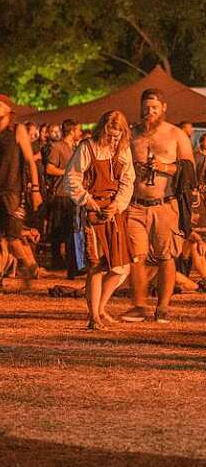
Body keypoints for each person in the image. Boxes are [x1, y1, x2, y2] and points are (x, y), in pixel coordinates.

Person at [121, 89, 195, 324]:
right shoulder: (132, 135)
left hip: (165, 205)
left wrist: (165, 166)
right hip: (135, 205)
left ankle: (163, 306)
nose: (149, 112)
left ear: (163, 108)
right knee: (136, 257)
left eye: (154, 107)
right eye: (146, 107)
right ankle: (139, 305)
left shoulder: (175, 134)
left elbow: (189, 171)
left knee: (165, 257)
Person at [62, 110, 135, 329]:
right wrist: (87, 200)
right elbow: (71, 178)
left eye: (117, 135)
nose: (113, 140)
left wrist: (118, 204)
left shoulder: (122, 149)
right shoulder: (88, 147)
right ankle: (93, 316)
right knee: (96, 265)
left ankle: (101, 308)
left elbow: (127, 181)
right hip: (93, 211)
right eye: (110, 135)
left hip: (114, 211)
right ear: (103, 130)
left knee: (120, 267)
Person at [0, 94, 42, 290]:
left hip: (13, 192)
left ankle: (30, 266)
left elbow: (30, 161)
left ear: (8, 109)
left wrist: (35, 189)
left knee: (12, 238)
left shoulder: (17, 130)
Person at [44, 119, 82, 271]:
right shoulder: (57, 147)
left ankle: (70, 261)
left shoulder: (74, 149)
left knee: (69, 230)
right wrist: (68, 173)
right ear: (72, 131)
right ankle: (56, 260)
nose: (80, 133)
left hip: (72, 194)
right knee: (58, 230)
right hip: (60, 194)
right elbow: (49, 169)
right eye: (78, 130)